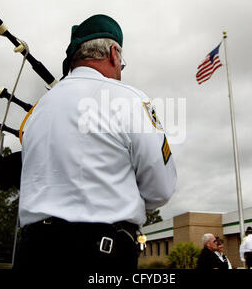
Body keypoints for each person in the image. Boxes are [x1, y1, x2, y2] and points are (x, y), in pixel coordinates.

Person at [14, 14, 177, 271]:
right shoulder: (129, 99)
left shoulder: (38, 110)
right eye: (121, 64)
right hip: (101, 253)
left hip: (31, 253)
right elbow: (161, 188)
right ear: (114, 54)